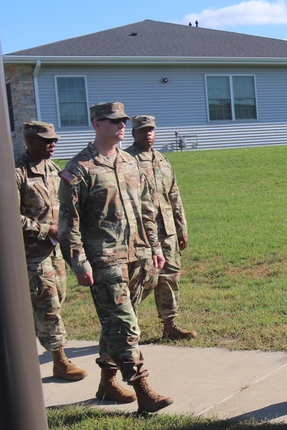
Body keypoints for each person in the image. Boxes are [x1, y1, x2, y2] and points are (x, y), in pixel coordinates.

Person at [58, 101, 173, 413]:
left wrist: (155, 247)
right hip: (104, 261)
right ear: (96, 124)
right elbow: (69, 223)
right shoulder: (78, 169)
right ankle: (143, 389)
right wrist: (79, 262)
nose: (121, 126)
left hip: (138, 256)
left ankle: (107, 383)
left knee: (117, 322)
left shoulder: (129, 162)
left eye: (123, 120)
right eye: (113, 121)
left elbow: (146, 209)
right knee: (124, 325)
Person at [16, 121, 88, 381]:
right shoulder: (17, 173)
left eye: (54, 140)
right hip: (33, 255)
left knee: (55, 301)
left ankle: (20, 353)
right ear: (30, 141)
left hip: (56, 253)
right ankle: (60, 361)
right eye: (47, 141)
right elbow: (9, 216)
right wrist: (47, 230)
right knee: (48, 306)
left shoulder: (53, 169)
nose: (52, 145)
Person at [126, 114, 197, 341]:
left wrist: (181, 227)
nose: (148, 133)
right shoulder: (127, 160)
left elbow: (174, 196)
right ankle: (127, 327)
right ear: (133, 133)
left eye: (151, 130)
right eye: (142, 130)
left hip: (167, 231)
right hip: (142, 233)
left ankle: (170, 325)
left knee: (169, 277)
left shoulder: (162, 161)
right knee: (144, 280)